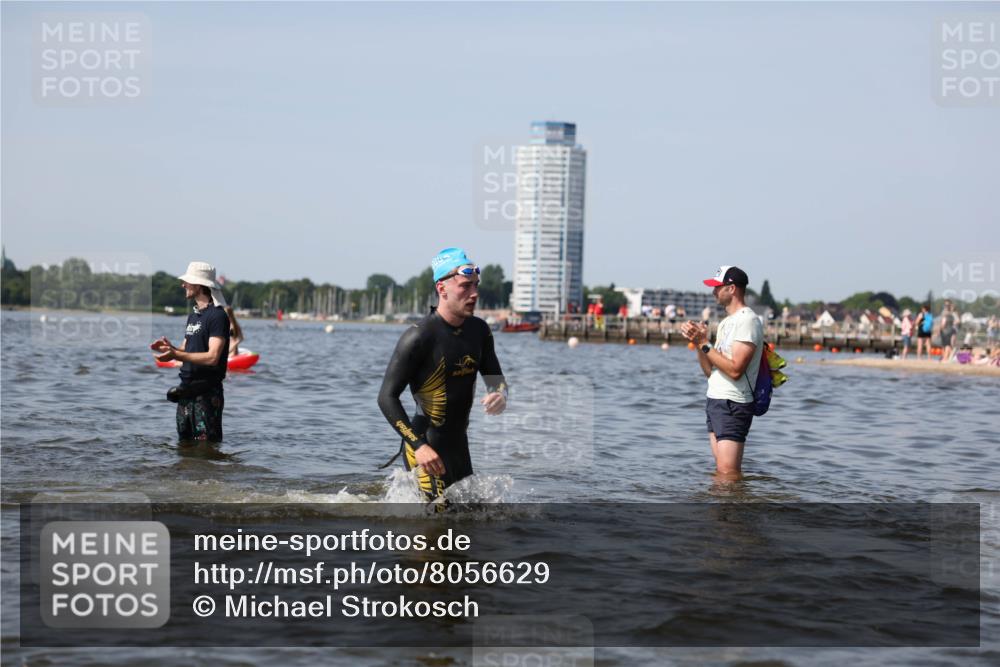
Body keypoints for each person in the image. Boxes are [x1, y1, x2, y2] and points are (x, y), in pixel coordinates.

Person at [377, 247, 508, 503]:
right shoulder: (419, 336)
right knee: (434, 527)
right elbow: (386, 398)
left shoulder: (479, 331)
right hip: (426, 446)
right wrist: (418, 446)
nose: (474, 294)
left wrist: (500, 394)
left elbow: (495, 378)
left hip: (459, 445)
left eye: (476, 286)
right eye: (465, 286)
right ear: (442, 289)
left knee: (467, 523)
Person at [680, 266, 763, 481]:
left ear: (732, 289)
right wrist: (698, 343)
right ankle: (722, 512)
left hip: (733, 403)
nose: (713, 292)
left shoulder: (747, 320)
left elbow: (735, 370)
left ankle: (735, 513)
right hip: (716, 400)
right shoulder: (727, 322)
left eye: (717, 287)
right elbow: (711, 372)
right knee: (721, 472)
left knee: (728, 474)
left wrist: (704, 343)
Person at [150, 261, 230, 444]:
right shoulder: (193, 315)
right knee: (184, 445)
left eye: (187, 281)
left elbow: (212, 357)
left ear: (200, 285)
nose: (183, 284)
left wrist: (175, 355)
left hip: (207, 393)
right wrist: (170, 347)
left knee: (206, 446)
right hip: (186, 390)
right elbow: (186, 348)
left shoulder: (217, 316)